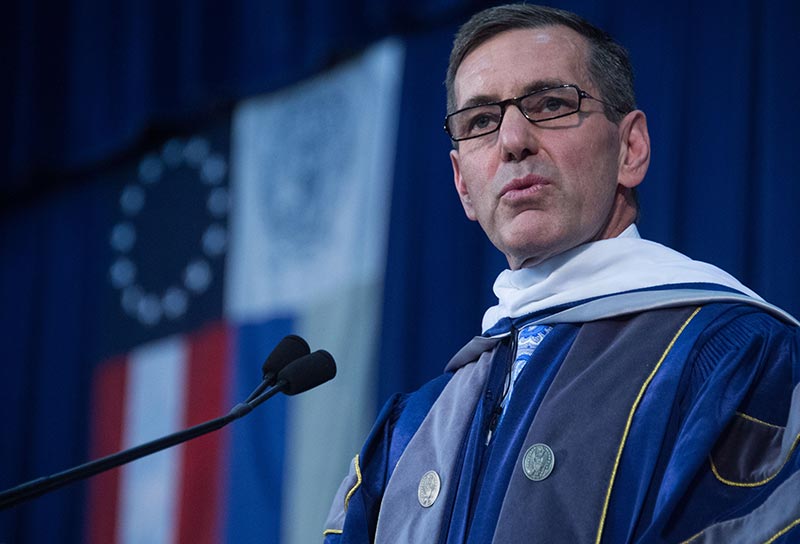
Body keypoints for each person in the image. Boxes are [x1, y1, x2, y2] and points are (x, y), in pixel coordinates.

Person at [323, 4, 800, 542]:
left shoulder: (732, 357)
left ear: (631, 148)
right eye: (480, 121)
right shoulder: (410, 429)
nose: (512, 140)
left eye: (550, 104)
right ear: (462, 185)